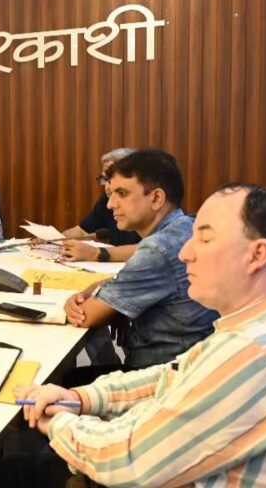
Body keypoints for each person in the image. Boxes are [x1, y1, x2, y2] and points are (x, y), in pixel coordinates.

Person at [8, 184, 266, 487]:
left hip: (131, 468)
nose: (186, 252)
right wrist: (80, 398)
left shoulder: (257, 356)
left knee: (8, 468)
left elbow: (125, 460)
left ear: (257, 255)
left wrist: (56, 420)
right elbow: (171, 375)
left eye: (204, 238)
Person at [62, 149, 217, 379]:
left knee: (65, 381)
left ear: (156, 198)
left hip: (161, 377)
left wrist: (74, 301)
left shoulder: (157, 249)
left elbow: (87, 315)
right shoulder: (188, 226)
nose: (110, 204)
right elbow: (116, 287)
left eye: (122, 194)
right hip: (193, 367)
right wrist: (97, 293)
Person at [60, 147, 140, 263]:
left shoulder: (148, 205)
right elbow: (82, 231)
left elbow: (152, 249)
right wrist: (52, 240)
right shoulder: (107, 200)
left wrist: (96, 253)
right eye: (104, 178)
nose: (107, 187)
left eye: (111, 178)